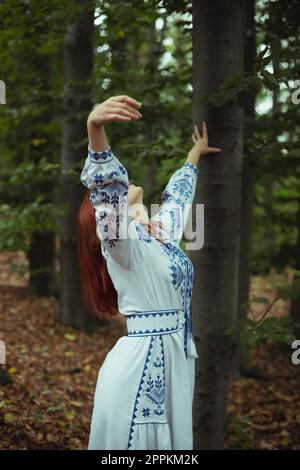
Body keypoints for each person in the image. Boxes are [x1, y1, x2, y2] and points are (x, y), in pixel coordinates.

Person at [78, 94, 221, 450]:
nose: (125, 188)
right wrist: (95, 129)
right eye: (117, 195)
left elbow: (178, 198)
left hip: (172, 362)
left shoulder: (157, 233)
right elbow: (107, 192)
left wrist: (194, 156)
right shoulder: (121, 244)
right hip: (142, 373)